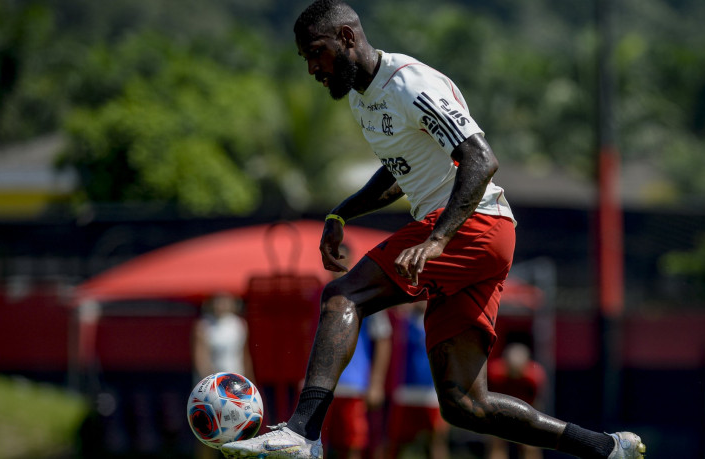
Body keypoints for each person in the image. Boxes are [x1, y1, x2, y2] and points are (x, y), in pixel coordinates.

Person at [221, 1, 646, 458]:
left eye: (316, 52)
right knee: (465, 405)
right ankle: (605, 448)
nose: (311, 68)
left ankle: (303, 433)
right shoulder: (366, 99)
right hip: (469, 233)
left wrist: (438, 238)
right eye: (304, 58)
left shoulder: (409, 83)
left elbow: (481, 159)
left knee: (344, 296)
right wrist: (340, 214)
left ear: (346, 37)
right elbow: (396, 174)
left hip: (475, 224)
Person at [321, 245, 393, 459]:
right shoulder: (320, 296)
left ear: (352, 261)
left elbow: (383, 340)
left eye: (342, 259)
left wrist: (376, 383)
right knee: (315, 443)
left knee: (353, 444)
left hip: (354, 385)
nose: (338, 265)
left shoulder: (366, 295)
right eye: (334, 259)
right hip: (322, 385)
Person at [192, 292, 255, 459]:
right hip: (210, 391)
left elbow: (244, 356)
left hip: (237, 390)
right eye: (217, 301)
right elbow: (201, 359)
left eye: (224, 301)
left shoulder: (239, 325)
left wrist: (250, 384)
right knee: (208, 435)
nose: (221, 305)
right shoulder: (203, 326)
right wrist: (214, 388)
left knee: (239, 436)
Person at [386, 301, 449, 459]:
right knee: (396, 443)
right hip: (405, 391)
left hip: (433, 395)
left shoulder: (441, 322)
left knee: (435, 443)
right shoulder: (402, 321)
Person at [486, 342, 547, 459]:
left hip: (527, 411)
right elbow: (489, 399)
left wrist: (533, 424)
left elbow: (536, 402)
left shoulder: (534, 376)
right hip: (500, 411)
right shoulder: (495, 373)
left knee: (530, 446)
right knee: (497, 444)